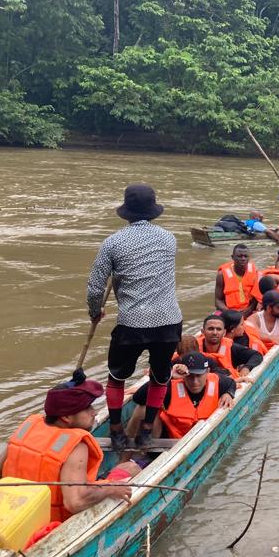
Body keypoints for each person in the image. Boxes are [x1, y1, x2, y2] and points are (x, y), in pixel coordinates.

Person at [87, 183, 182, 453]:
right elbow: (151, 274)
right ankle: (147, 430)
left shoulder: (113, 243)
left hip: (132, 322)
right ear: (153, 211)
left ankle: (116, 430)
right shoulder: (169, 239)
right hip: (168, 320)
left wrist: (96, 312)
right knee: (160, 378)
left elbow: (95, 287)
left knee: (117, 377)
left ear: (126, 212)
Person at [0, 373, 131, 524]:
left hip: (17, 514)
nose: (94, 412)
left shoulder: (28, 428)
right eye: (87, 408)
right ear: (66, 418)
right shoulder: (76, 446)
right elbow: (75, 502)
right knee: (131, 468)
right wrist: (111, 489)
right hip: (51, 522)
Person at [149, 352, 236, 439]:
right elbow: (140, 396)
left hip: (205, 436)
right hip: (173, 442)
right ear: (183, 374)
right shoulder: (170, 388)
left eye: (199, 375)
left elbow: (232, 383)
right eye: (190, 376)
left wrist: (229, 394)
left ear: (207, 372)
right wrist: (169, 376)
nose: (195, 381)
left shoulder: (218, 381)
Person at [198, 314, 263, 379]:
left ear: (224, 332)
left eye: (218, 329)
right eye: (210, 329)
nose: (215, 333)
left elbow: (256, 355)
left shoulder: (231, 347)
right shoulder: (194, 348)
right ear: (203, 332)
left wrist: (247, 367)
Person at [215, 244, 259, 315]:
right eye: (239, 256)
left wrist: (250, 308)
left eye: (246, 256)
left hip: (249, 310)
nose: (243, 259)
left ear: (249, 258)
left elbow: (256, 296)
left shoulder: (255, 272)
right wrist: (230, 313)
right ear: (233, 257)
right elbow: (218, 300)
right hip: (229, 310)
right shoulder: (221, 275)